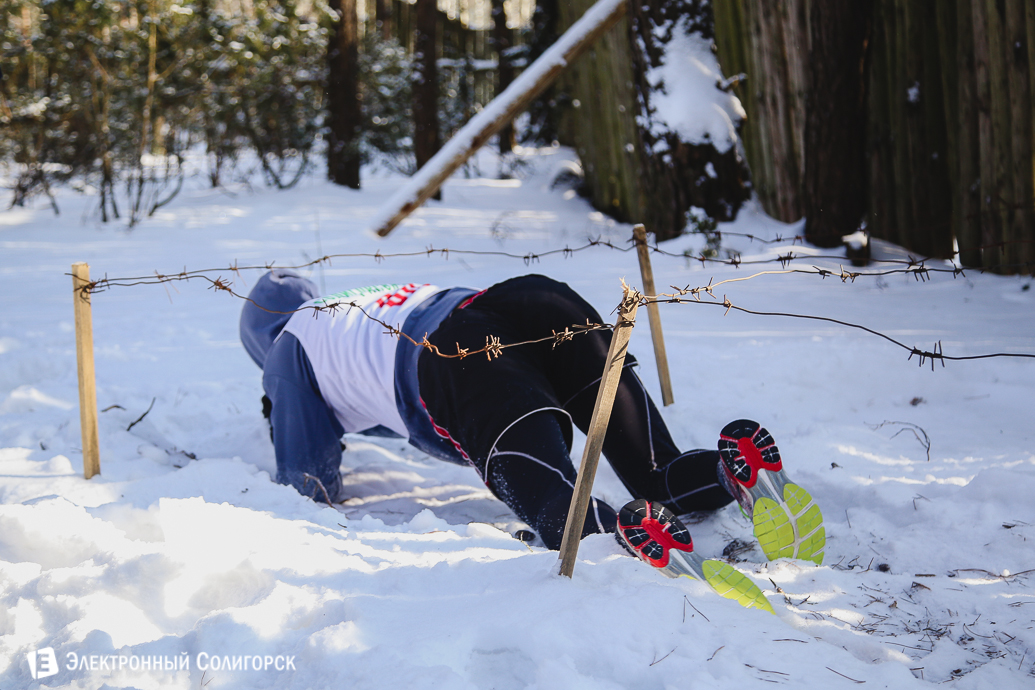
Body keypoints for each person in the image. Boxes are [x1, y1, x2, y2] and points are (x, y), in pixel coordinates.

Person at [240, 271, 824, 610]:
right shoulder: (354, 304)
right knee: (654, 470)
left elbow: (309, 483)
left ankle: (631, 540)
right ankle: (733, 468)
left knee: (560, 512)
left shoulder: (287, 351)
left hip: (463, 354)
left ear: (260, 343)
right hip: (530, 302)